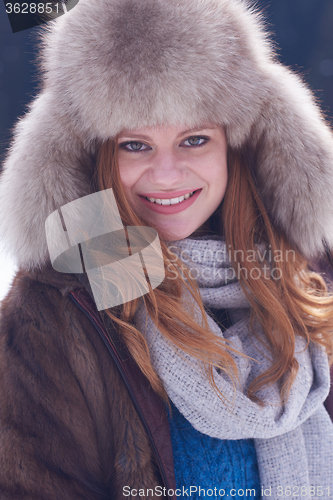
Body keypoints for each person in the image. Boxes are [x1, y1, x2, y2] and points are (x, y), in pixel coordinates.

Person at [0, 0, 332, 498]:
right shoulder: (56, 312)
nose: (167, 174)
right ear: (94, 154)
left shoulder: (309, 287)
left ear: (237, 145)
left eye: (194, 139)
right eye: (135, 145)